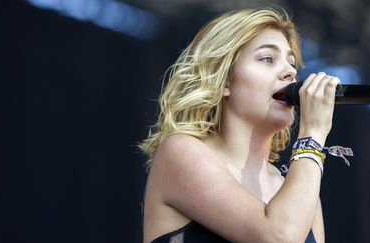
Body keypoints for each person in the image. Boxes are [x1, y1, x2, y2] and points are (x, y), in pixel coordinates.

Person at [139, 7, 341, 243]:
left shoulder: (298, 185)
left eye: (292, 63)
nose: (291, 73)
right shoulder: (180, 153)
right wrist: (313, 134)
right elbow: (278, 237)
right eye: (267, 58)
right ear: (224, 80)